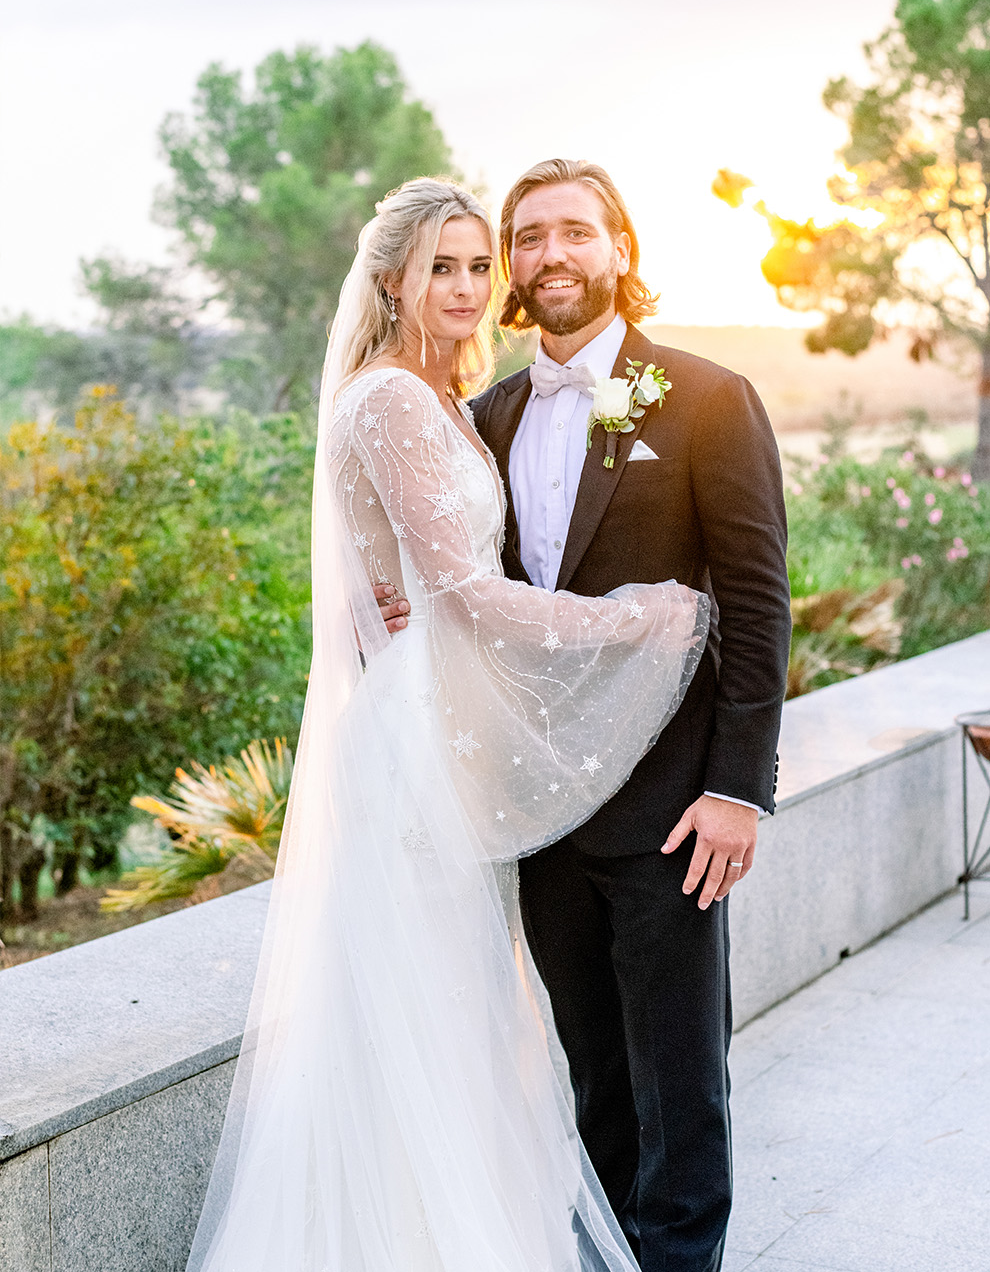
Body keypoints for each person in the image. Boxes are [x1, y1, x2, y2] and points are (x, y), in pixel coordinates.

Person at [184, 176, 712, 1272]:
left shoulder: (436, 398)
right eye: (444, 266)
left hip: (441, 739)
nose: (470, 285)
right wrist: (629, 621)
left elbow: (416, 587)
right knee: (431, 1019)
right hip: (416, 755)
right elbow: (468, 595)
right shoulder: (386, 398)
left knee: (463, 1013)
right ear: (391, 280)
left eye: (480, 263)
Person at [380, 160, 792, 1272]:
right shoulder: (482, 417)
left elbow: (756, 603)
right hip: (539, 808)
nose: (548, 256)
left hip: (672, 809)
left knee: (679, 1080)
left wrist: (737, 787)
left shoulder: (709, 397)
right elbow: (458, 586)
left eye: (573, 233)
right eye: (528, 238)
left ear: (620, 250)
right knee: (591, 1074)